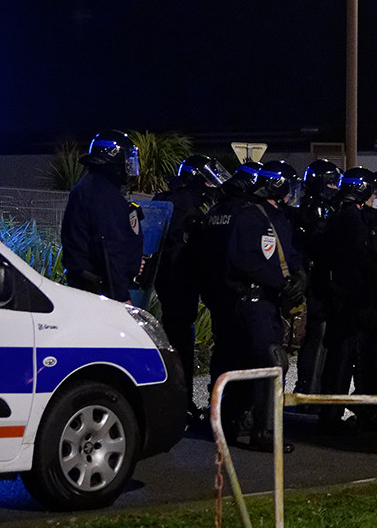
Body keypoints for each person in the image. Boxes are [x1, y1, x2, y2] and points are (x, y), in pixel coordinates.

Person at [224, 159, 305, 452]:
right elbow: (246, 261)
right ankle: (264, 432)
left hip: (269, 301)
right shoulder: (249, 217)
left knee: (256, 363)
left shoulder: (277, 216)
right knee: (272, 362)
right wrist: (281, 283)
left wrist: (299, 276)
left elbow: (288, 254)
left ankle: (238, 424)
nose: (291, 193)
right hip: (253, 300)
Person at [154, 153, 230, 424]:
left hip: (169, 283)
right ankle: (181, 405)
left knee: (176, 340)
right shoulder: (188, 208)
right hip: (180, 284)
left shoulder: (169, 200)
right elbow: (188, 252)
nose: (212, 186)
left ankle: (177, 403)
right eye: (208, 181)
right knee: (181, 344)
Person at [315, 167, 377, 434]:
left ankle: (334, 413)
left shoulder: (341, 216)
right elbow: (363, 259)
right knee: (355, 357)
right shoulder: (353, 219)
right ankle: (352, 414)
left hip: (345, 298)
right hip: (355, 300)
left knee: (344, 357)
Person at [60, 130, 145, 302]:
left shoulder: (93, 187)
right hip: (100, 291)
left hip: (93, 287)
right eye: (126, 158)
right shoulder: (102, 193)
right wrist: (121, 297)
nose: (128, 164)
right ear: (114, 158)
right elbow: (109, 248)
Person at [293, 158, 340, 402]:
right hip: (317, 282)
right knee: (319, 336)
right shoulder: (316, 208)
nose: (335, 187)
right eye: (331, 183)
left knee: (323, 337)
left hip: (318, 280)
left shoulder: (313, 205)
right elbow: (319, 245)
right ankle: (309, 391)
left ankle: (314, 389)